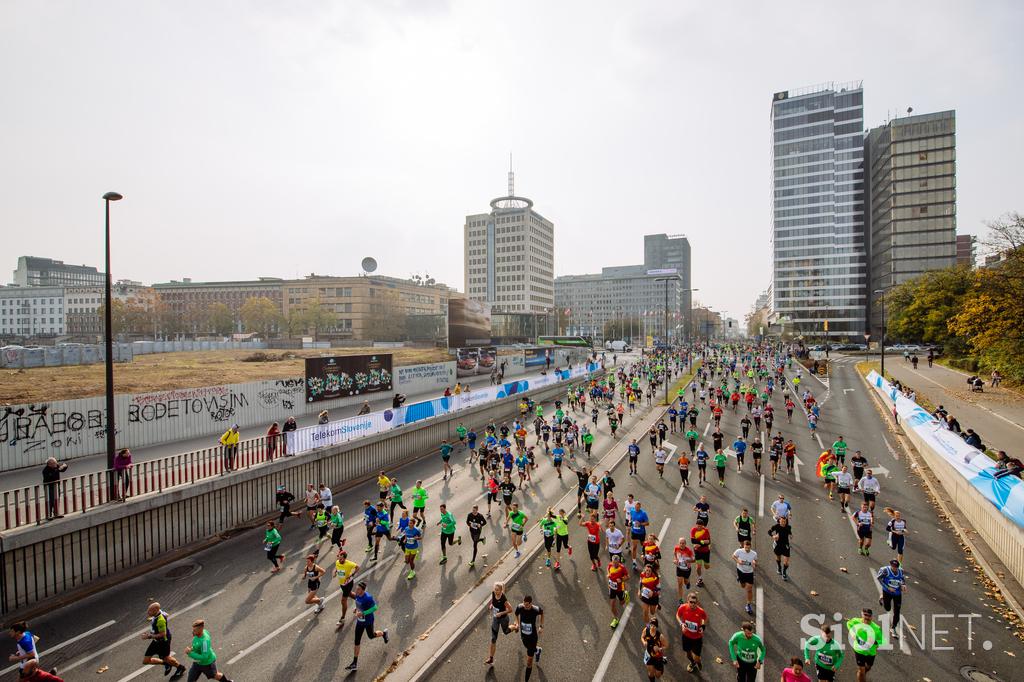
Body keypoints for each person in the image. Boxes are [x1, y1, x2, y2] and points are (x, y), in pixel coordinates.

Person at [345, 583, 390, 671]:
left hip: (368, 621)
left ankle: (384, 633)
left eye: (358, 589)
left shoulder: (368, 598)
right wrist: (356, 609)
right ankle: (355, 663)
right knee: (356, 641)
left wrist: (363, 613)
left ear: (362, 590)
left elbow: (375, 608)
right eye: (356, 589)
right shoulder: (357, 595)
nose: (356, 590)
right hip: (360, 622)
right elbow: (359, 604)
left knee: (371, 635)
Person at [141, 602, 187, 679]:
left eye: (150, 611)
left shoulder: (160, 620)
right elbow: (166, 614)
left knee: (167, 658)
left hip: (163, 642)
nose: (148, 612)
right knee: (146, 661)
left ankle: (180, 667)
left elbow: (163, 634)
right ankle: (166, 664)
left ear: (156, 610)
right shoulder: (159, 612)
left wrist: (149, 636)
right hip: (156, 641)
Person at [846, 609, 884, 682]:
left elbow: (882, 641)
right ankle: (861, 674)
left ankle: (861, 673)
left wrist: (874, 642)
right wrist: (852, 633)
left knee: (868, 667)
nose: (867, 617)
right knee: (862, 672)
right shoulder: (856, 621)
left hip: (871, 652)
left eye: (869, 616)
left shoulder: (876, 628)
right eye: (865, 615)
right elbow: (848, 623)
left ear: (872, 617)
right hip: (859, 650)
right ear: (862, 615)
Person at [513, 595, 544, 681]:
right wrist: (517, 623)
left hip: (533, 637)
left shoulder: (535, 609)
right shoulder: (520, 607)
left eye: (527, 604)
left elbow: (542, 613)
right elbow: (516, 614)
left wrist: (541, 626)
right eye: (524, 604)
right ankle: (537, 650)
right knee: (527, 647)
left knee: (529, 661)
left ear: (531, 603)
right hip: (523, 635)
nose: (525, 606)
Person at [676, 592, 707, 673]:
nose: (693, 604)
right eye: (691, 602)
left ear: (697, 602)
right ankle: (692, 662)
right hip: (686, 636)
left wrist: (703, 626)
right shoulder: (683, 607)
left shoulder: (700, 611)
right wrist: (681, 624)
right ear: (687, 601)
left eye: (695, 602)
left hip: (697, 638)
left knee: (697, 658)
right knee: (688, 653)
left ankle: (698, 662)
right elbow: (678, 615)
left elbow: (705, 618)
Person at [485, 582, 514, 667]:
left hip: (503, 619)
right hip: (495, 619)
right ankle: (491, 658)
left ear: (501, 590)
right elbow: (493, 600)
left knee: (506, 631)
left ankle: (515, 627)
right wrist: (491, 605)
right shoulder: (493, 593)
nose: (495, 591)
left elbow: (511, 609)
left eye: (497, 590)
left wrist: (501, 613)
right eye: (495, 589)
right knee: (493, 639)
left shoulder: (504, 599)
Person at [876, 559, 907, 639]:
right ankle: (882, 596)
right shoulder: (885, 570)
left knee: (897, 611)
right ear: (890, 565)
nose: (894, 568)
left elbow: (902, 580)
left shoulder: (901, 571)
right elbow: (879, 579)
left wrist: (903, 585)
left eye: (896, 567)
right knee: (887, 608)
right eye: (893, 566)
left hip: (897, 593)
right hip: (887, 592)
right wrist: (887, 587)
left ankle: (893, 628)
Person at [333, 549, 359, 627]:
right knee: (350, 594)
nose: (339, 560)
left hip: (348, 584)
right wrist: (334, 572)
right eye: (339, 558)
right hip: (342, 584)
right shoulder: (337, 562)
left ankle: (342, 618)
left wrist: (352, 574)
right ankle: (361, 601)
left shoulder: (349, 564)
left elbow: (358, 567)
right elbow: (336, 569)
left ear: (345, 558)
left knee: (343, 600)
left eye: (341, 558)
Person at [732, 540, 757, 615]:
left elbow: (755, 561)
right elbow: (733, 556)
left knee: (749, 589)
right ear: (744, 546)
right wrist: (737, 561)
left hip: (749, 572)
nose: (747, 549)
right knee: (743, 586)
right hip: (741, 571)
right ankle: (740, 579)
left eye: (748, 548)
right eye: (745, 548)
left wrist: (754, 564)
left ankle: (748, 605)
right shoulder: (739, 551)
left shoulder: (754, 554)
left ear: (750, 547)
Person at [607, 553, 629, 628]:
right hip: (612, 588)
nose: (614, 564)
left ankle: (625, 595)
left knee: (622, 603)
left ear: (619, 562)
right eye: (613, 563)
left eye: (616, 563)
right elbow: (608, 571)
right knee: (612, 604)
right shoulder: (610, 565)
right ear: (612, 561)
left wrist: (622, 579)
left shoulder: (622, 568)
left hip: (620, 589)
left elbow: (628, 577)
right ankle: (615, 619)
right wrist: (609, 575)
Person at [768, 515, 793, 580]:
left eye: (784, 521)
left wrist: (791, 536)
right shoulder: (776, 526)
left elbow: (790, 533)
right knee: (778, 558)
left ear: (786, 521)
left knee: (786, 562)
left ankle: (784, 572)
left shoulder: (788, 527)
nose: (783, 522)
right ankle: (779, 567)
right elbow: (769, 531)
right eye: (781, 521)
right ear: (779, 521)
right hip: (778, 545)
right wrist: (773, 536)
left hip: (786, 546)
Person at [466, 504, 487, 569]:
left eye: (474, 510)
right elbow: (467, 522)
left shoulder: (480, 516)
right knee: (475, 541)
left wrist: (480, 525)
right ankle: (482, 539)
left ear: (477, 510)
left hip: (478, 532)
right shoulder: (470, 515)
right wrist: (470, 524)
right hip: (472, 531)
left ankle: (473, 560)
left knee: (474, 545)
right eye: (472, 510)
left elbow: (485, 522)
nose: (473, 511)